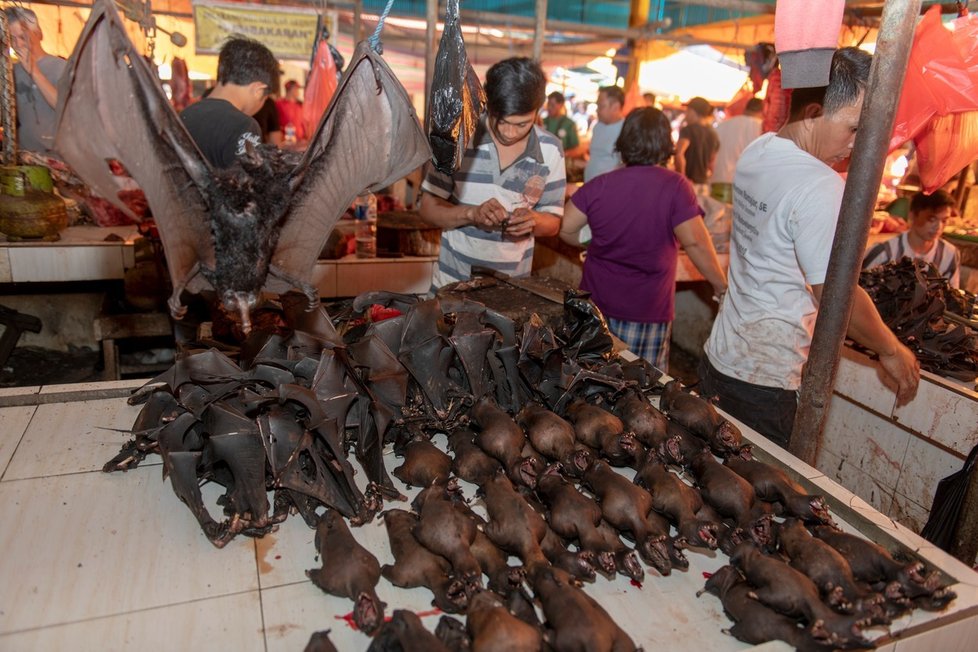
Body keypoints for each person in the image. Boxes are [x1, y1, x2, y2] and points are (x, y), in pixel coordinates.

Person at [700, 47, 920, 449]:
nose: (856, 145)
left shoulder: (759, 150)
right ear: (813, 112)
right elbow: (838, 300)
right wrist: (890, 349)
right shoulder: (821, 185)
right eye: (854, 129)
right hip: (765, 383)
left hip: (721, 357)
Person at [559, 108, 726, 369]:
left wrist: (592, 244)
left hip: (594, 307)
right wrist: (720, 285)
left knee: (591, 380)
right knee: (640, 391)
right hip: (645, 311)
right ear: (665, 144)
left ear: (624, 142)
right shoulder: (676, 186)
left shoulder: (600, 184)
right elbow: (694, 242)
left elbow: (566, 229)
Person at [418, 57, 565, 289]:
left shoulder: (551, 150)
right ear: (488, 104)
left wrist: (533, 220)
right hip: (452, 286)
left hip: (510, 293)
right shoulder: (459, 139)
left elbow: (553, 222)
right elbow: (426, 208)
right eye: (502, 121)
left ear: (539, 109)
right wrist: (471, 214)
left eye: (522, 124)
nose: (509, 132)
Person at [179, 37, 279, 168]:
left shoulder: (185, 114)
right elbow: (248, 184)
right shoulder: (244, 126)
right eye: (265, 100)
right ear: (259, 90)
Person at [862, 190, 961, 287]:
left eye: (944, 220)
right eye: (931, 219)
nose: (938, 226)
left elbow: (953, 296)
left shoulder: (949, 254)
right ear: (912, 215)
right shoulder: (883, 253)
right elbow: (858, 292)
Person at [4, 7, 66, 156]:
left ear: (38, 34)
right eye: (12, 39)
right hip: (25, 157)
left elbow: (66, 109)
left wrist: (34, 71)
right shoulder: (11, 72)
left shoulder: (62, 67)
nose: (18, 44)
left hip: (59, 159)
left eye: (22, 37)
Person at [710, 97, 763, 203]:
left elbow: (711, 154)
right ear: (763, 111)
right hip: (746, 188)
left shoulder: (723, 125)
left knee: (718, 217)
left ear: (745, 108)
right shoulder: (762, 127)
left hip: (720, 181)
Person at [674, 96, 719, 187]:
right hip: (704, 183)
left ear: (692, 111)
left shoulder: (688, 130)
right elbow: (712, 161)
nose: (685, 114)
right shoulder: (713, 134)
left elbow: (679, 154)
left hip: (688, 183)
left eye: (687, 110)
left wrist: (683, 178)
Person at [584, 85, 625, 182]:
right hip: (589, 186)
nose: (597, 110)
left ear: (616, 107)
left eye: (601, 106)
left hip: (608, 189)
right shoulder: (597, 126)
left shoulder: (626, 131)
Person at [543, 91, 584, 157]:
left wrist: (563, 155)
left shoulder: (569, 124)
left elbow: (576, 148)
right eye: (548, 104)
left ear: (561, 105)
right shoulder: (543, 121)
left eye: (552, 105)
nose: (549, 108)